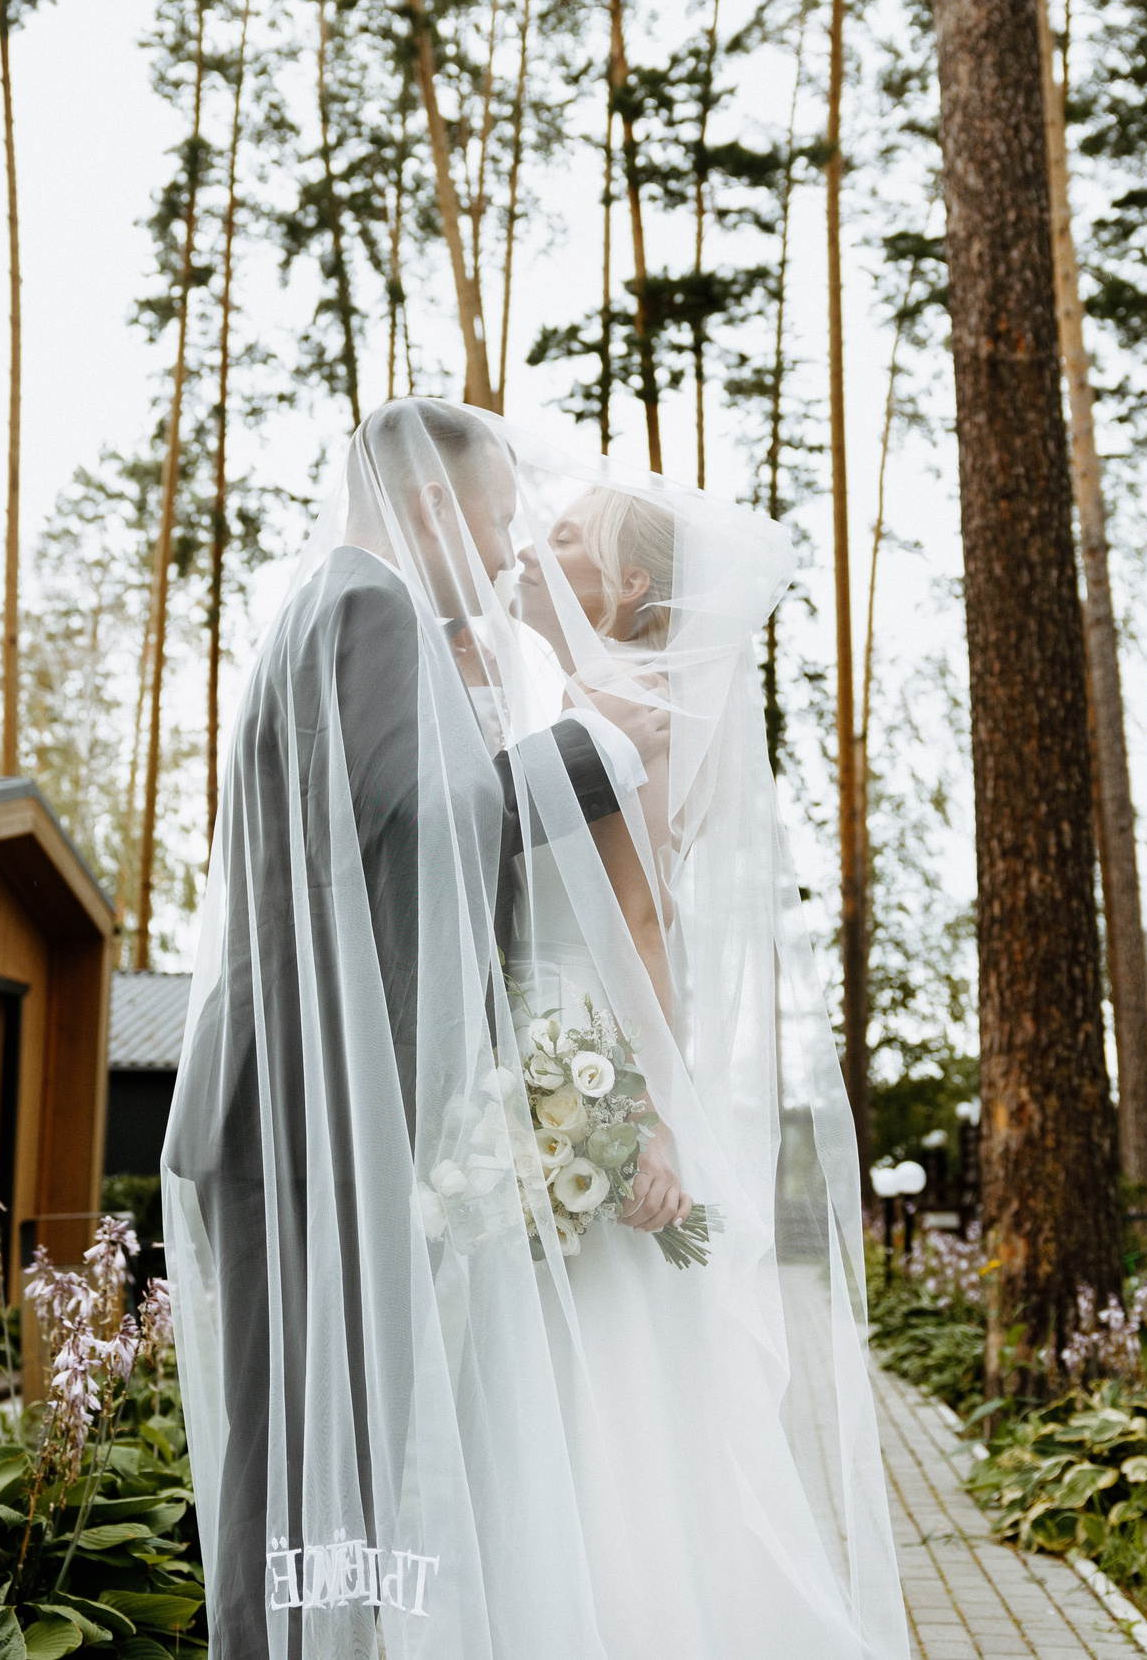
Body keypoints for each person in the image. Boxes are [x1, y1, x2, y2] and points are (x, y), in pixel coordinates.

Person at [163, 401, 902, 1659]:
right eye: (501, 518)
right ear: (434, 505)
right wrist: (592, 747)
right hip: (316, 1108)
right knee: (308, 1455)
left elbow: (424, 846)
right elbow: (417, 827)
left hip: (320, 1099)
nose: (507, 551)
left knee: (325, 1449)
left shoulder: (333, 612)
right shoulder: (368, 608)